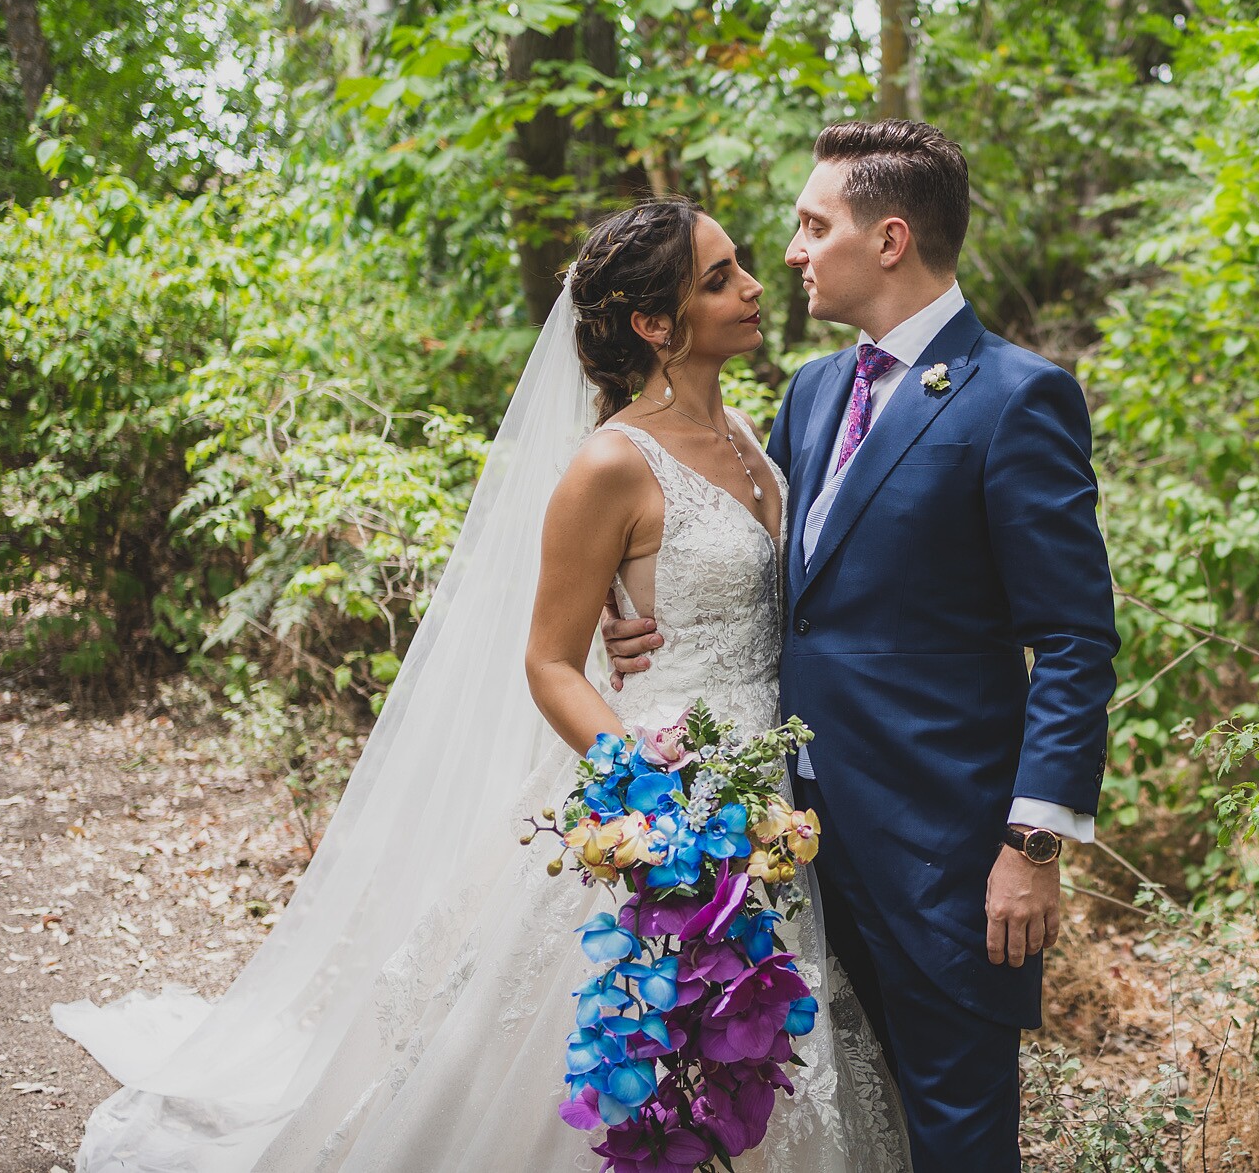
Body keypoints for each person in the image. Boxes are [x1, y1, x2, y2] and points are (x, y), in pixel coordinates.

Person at [53, 199, 909, 1171]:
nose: (753, 286)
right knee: (635, 1037)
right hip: (665, 798)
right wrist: (657, 806)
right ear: (653, 324)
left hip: (772, 790)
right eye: (717, 278)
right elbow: (549, 660)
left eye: (740, 266)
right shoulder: (610, 464)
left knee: (759, 1034)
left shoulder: (758, 434)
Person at [605, 120, 1118, 1172]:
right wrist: (636, 607)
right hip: (790, 854)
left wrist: (1031, 847)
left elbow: (1072, 638)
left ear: (888, 239)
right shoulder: (808, 393)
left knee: (957, 1141)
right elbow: (777, 581)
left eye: (809, 225)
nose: (789, 252)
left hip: (944, 858)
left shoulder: (1016, 397)